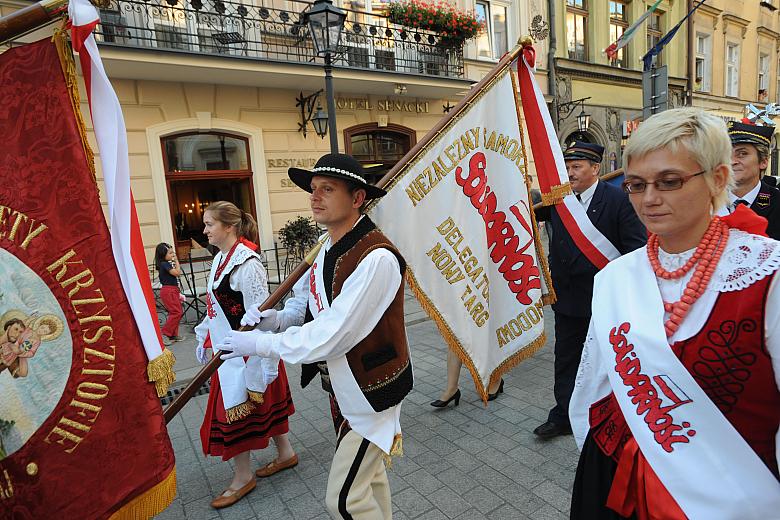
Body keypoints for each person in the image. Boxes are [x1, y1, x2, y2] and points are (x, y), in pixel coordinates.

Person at [570, 108, 780, 518]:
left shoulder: (767, 273)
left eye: (670, 181)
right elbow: (594, 382)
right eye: (636, 185)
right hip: (616, 477)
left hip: (731, 497)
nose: (649, 199)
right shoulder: (616, 277)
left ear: (717, 179)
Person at [218, 153, 413, 519]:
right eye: (313, 189)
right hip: (341, 388)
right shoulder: (325, 247)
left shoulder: (377, 258)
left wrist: (259, 344)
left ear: (357, 198)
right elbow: (306, 308)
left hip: (371, 393)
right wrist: (274, 321)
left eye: (328, 189)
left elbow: (333, 333)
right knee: (370, 482)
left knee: (344, 501)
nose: (315, 197)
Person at [533, 141, 646, 439]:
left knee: (607, 361)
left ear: (595, 168)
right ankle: (563, 415)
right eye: (567, 167)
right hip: (567, 298)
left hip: (604, 300)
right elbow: (526, 215)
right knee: (566, 358)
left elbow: (635, 249)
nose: (570, 173)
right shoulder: (558, 200)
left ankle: (608, 416)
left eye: (576, 167)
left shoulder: (618, 200)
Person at [193, 201, 296, 509]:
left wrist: (268, 361)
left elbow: (261, 317)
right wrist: (203, 333)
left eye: (209, 224)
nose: (204, 230)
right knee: (265, 407)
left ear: (229, 226)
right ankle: (286, 453)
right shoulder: (219, 258)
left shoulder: (248, 264)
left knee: (235, 412)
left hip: (249, 354)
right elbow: (215, 306)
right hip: (229, 347)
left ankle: (243, 476)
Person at [719, 120, 780, 239]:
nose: (732, 161)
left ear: (763, 162)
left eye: (742, 154)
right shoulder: (708, 202)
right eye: (727, 155)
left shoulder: (777, 202)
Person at [154, 243, 184, 345]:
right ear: (163, 255)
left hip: (172, 290)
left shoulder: (165, 263)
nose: (173, 254)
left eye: (173, 252)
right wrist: (177, 262)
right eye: (170, 253)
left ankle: (173, 334)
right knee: (176, 312)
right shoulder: (165, 264)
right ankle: (165, 333)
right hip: (169, 291)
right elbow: (177, 273)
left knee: (176, 312)